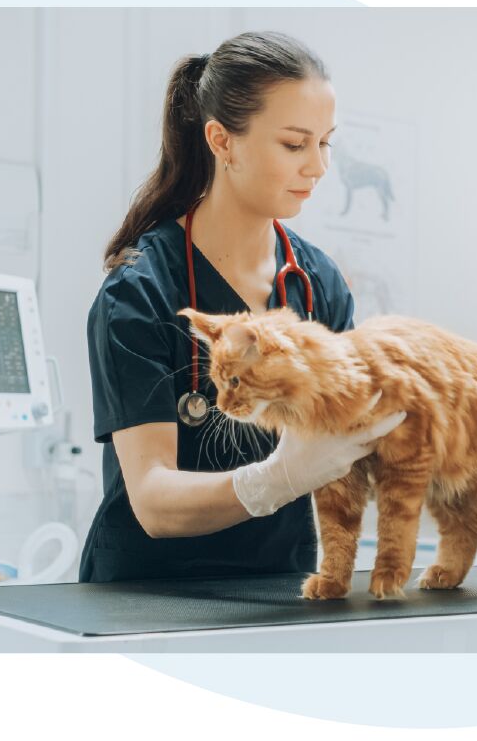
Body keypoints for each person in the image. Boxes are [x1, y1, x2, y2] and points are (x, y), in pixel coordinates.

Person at [79, 31, 406, 583]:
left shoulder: (318, 283)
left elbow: (356, 423)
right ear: (222, 141)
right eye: (295, 144)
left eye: (326, 143)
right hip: (150, 596)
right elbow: (154, 501)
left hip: (284, 583)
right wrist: (274, 480)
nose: (319, 167)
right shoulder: (139, 293)